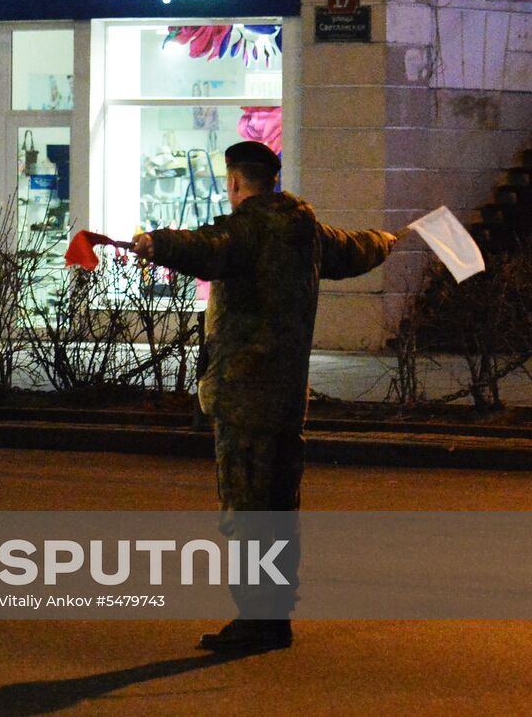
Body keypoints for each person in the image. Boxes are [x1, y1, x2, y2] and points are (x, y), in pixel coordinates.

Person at [131, 140, 400, 652]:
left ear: (235, 182)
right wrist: (387, 240)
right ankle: (275, 615)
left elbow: (206, 248)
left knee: (248, 507)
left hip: (242, 392)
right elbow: (355, 247)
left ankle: (257, 620)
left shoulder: (247, 227)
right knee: (279, 505)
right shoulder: (307, 231)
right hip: (285, 394)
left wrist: (155, 243)